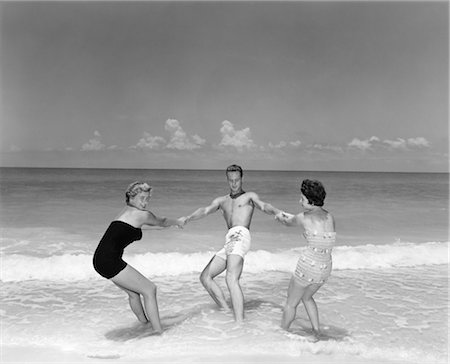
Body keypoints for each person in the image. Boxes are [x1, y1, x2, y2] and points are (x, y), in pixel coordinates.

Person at [180, 164, 281, 322]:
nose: (234, 184)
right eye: (231, 180)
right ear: (227, 180)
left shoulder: (249, 197)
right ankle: (227, 310)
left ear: (241, 179)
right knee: (205, 277)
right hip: (230, 239)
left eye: (237, 180)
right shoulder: (222, 200)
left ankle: (240, 323)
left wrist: (277, 212)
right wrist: (187, 218)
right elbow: (205, 210)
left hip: (241, 234)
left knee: (231, 278)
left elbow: (264, 206)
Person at [93, 181, 184, 334]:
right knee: (150, 289)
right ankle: (158, 332)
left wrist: (168, 226)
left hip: (100, 260)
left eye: (148, 198)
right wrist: (178, 222)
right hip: (109, 260)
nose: (145, 202)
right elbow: (161, 222)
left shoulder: (127, 212)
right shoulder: (142, 215)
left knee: (133, 293)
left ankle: (145, 324)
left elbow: (139, 229)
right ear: (131, 197)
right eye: (142, 197)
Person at [275, 179, 336, 341]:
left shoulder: (303, 217)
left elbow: (288, 223)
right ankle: (317, 331)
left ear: (311, 200)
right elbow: (316, 232)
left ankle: (283, 333)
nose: (299, 201)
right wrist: (291, 217)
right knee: (307, 297)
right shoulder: (330, 217)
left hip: (308, 265)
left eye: (302, 199)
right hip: (325, 268)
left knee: (291, 303)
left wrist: (279, 216)